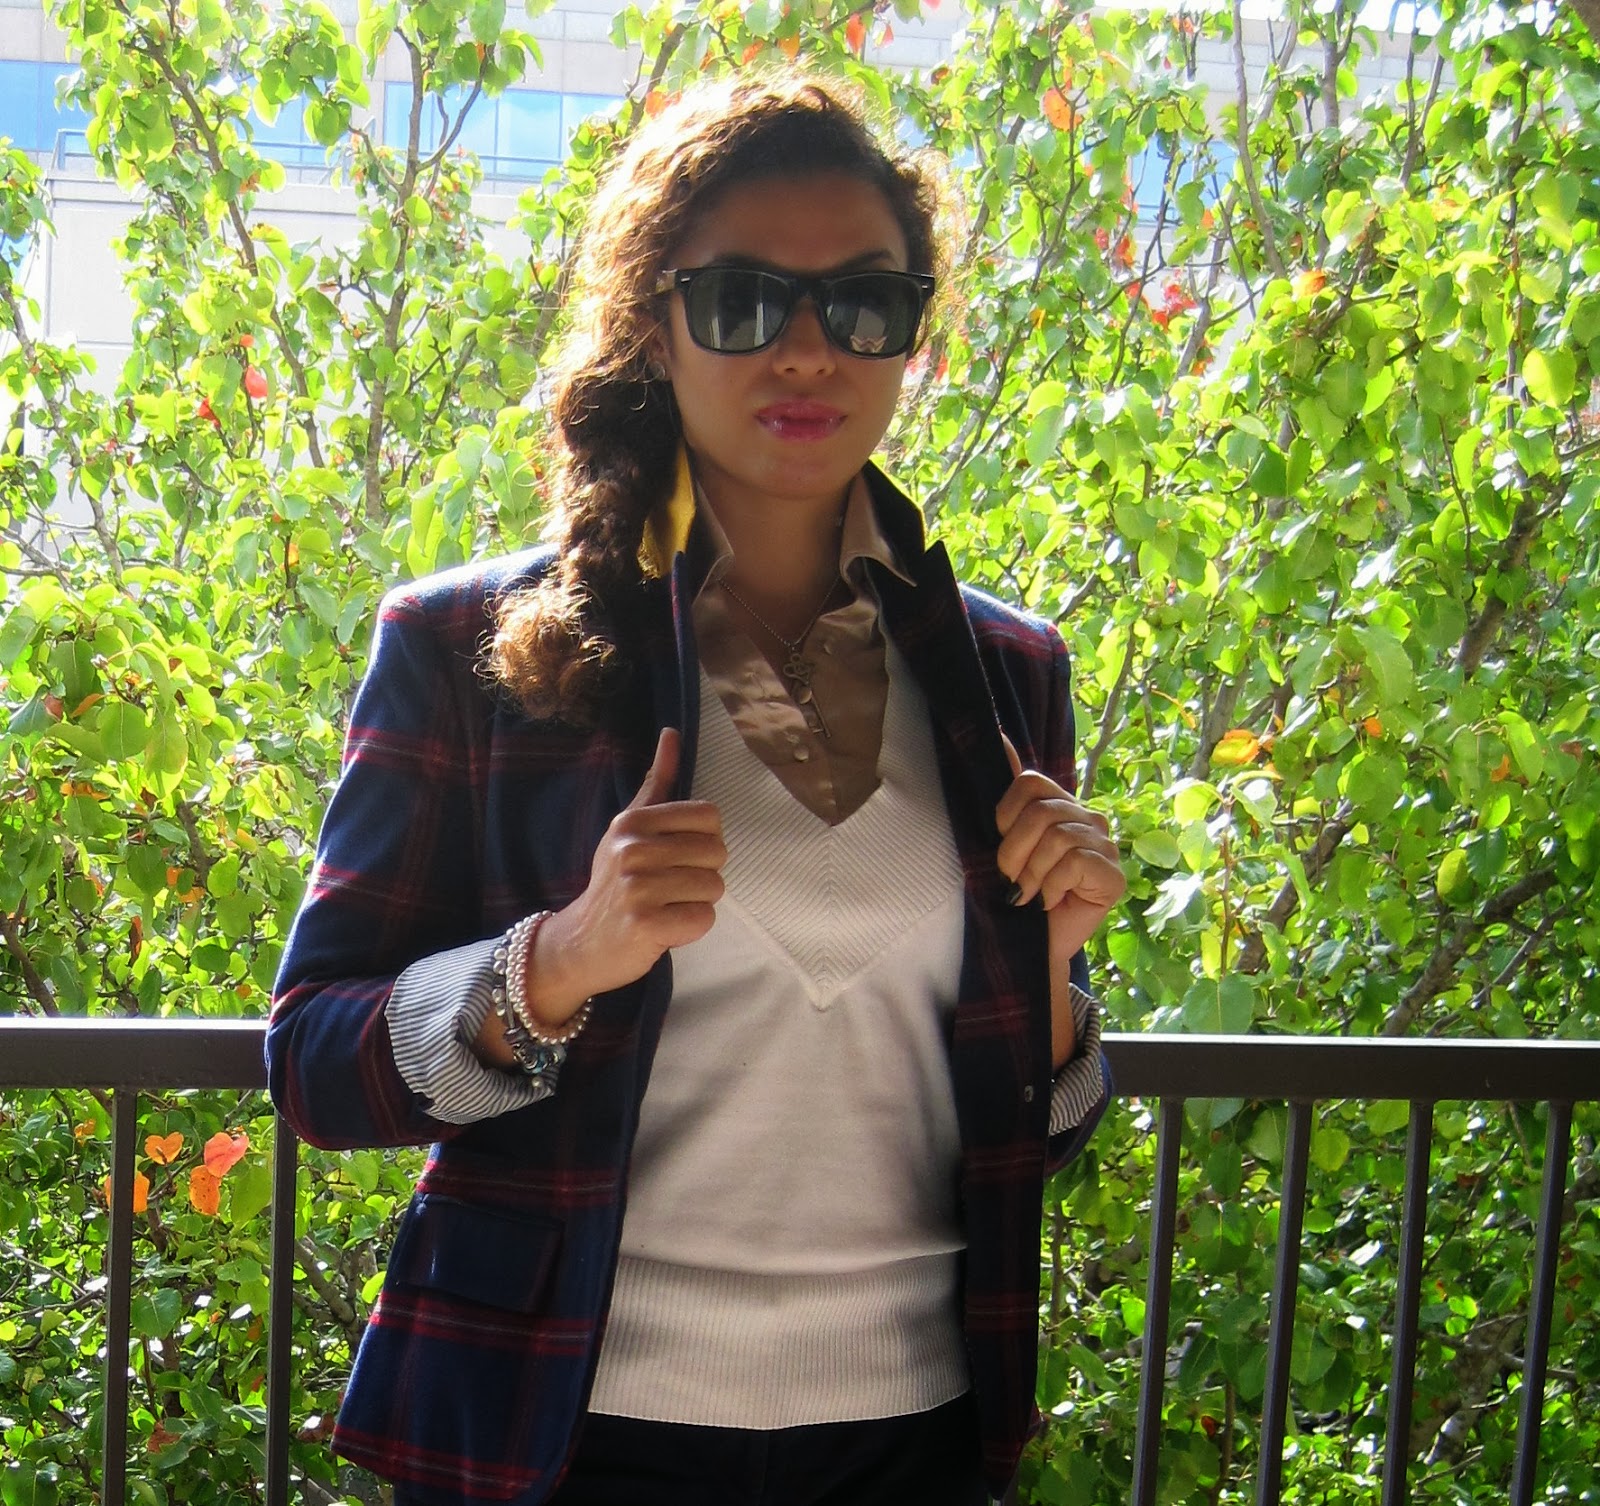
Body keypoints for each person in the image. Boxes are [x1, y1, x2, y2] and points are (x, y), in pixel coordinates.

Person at [266, 72, 1126, 1506]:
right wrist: (556, 961)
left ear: (914, 336)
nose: (810, 350)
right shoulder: (470, 646)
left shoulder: (1006, 676)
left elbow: (1036, 1121)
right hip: (560, 1431)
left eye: (865, 304)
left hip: (911, 1432)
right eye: (743, 301)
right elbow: (313, 1061)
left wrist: (1050, 971)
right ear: (654, 326)